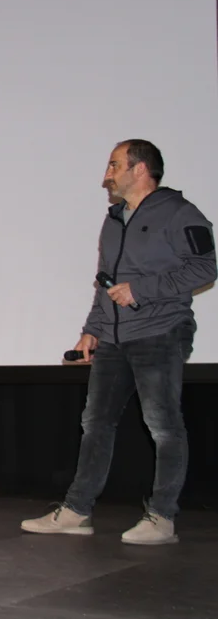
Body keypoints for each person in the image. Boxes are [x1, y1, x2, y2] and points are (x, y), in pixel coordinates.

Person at [22, 139, 216, 545]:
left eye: (114, 165)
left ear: (140, 169)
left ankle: (162, 518)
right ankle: (76, 511)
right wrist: (92, 329)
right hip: (113, 338)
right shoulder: (113, 221)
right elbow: (105, 282)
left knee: (163, 425)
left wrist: (141, 290)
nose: (106, 175)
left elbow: (204, 268)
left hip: (161, 331)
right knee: (95, 423)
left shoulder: (180, 213)